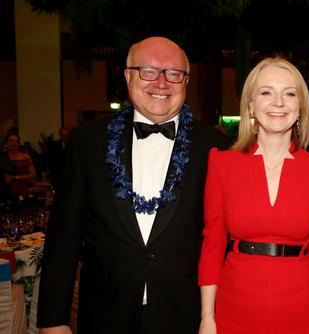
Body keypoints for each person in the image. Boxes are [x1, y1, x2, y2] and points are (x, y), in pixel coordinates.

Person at [37, 37, 229, 334]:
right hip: (104, 315)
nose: (161, 82)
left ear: (186, 81)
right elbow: (64, 238)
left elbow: (224, 241)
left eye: (174, 73)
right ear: (128, 75)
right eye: (148, 71)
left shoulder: (216, 147)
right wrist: (53, 319)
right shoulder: (88, 142)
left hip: (186, 316)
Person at [197, 57, 309, 334]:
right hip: (236, 305)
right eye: (266, 92)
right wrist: (206, 317)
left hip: (303, 307)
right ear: (251, 105)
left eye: (289, 93)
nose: (278, 102)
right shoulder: (222, 164)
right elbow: (212, 245)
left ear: (300, 107)